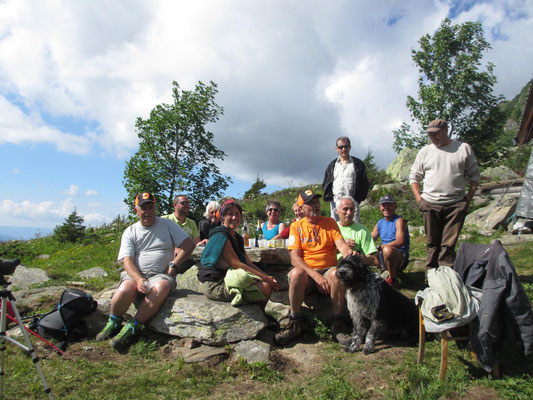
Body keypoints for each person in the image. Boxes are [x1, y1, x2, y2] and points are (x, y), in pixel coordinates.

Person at [96, 192, 195, 349]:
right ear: (136, 211)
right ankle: (114, 321)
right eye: (143, 208)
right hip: (135, 274)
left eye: (151, 207)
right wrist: (138, 279)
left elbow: (189, 245)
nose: (147, 211)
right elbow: (127, 261)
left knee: (161, 287)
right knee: (125, 289)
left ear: (155, 208)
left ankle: (133, 326)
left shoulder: (167, 225)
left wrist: (174, 265)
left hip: (160, 275)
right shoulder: (130, 231)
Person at [275, 189, 356, 346]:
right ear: (303, 208)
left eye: (317, 202)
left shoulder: (330, 223)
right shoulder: (296, 226)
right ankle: (295, 323)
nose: (316, 205)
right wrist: (315, 276)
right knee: (296, 274)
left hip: (328, 272)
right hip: (309, 275)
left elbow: (342, 246)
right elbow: (294, 258)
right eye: (311, 203)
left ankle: (337, 325)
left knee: (336, 273)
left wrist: (349, 253)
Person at [409, 119, 480, 272]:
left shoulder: (462, 148)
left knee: (448, 244)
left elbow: (474, 176)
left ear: (445, 130)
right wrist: (419, 200)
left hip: (455, 205)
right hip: (430, 203)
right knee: (432, 243)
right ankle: (431, 278)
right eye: (430, 135)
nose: (433, 138)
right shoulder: (425, 151)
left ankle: (447, 276)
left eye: (436, 134)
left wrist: (467, 200)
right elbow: (414, 177)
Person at [197, 199, 279, 308]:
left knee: (267, 284)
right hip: (215, 283)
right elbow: (236, 264)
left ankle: (261, 316)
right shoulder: (221, 235)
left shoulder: (237, 237)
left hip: (229, 278)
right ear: (223, 217)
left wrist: (267, 277)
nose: (234, 218)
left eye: (237, 214)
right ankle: (260, 316)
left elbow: (248, 262)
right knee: (264, 287)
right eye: (230, 214)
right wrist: (265, 278)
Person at [322, 136, 369, 222]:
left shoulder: (358, 164)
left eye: (346, 146)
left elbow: (364, 183)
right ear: (337, 149)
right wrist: (330, 198)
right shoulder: (332, 165)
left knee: (355, 227)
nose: (343, 149)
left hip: (352, 202)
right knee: (335, 228)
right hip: (335, 202)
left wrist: (358, 199)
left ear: (350, 147)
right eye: (340, 147)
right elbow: (326, 183)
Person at [371, 195, 410, 287]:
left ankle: (392, 280)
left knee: (388, 250)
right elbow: (370, 238)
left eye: (389, 205)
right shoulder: (380, 223)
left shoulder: (399, 221)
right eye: (383, 205)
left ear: (395, 207)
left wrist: (383, 247)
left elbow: (400, 242)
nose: (386, 208)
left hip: (398, 256)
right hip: (383, 254)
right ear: (380, 207)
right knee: (361, 255)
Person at [335, 196, 378, 267]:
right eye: (345, 209)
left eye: (352, 209)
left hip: (354, 268)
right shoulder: (331, 229)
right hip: (333, 267)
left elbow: (371, 259)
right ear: (337, 211)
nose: (349, 213)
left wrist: (358, 257)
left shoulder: (362, 230)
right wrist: (342, 247)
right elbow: (323, 253)